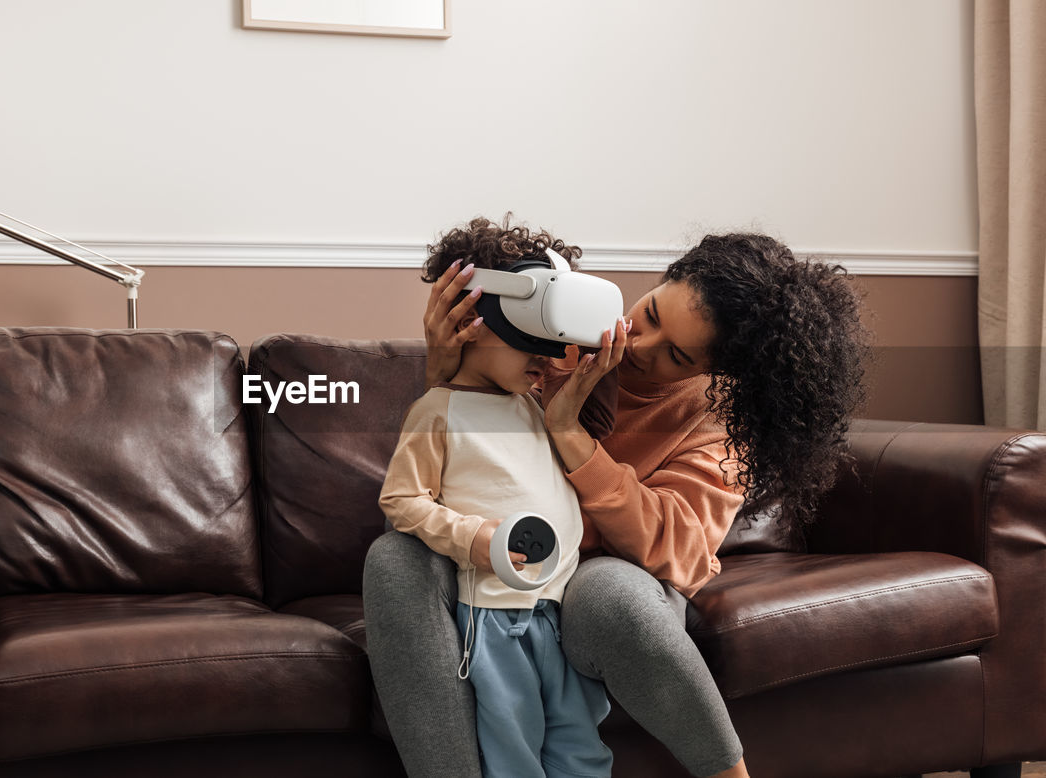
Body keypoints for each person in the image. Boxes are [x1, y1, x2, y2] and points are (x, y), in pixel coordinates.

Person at [363, 216, 872, 778]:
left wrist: (571, 437)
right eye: (650, 312)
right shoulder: (555, 336)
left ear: (715, 372)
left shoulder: (715, 421)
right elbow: (446, 477)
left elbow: (677, 549)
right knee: (395, 558)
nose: (639, 344)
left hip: (608, 578)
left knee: (606, 592)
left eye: (676, 356)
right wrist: (449, 375)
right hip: (497, 563)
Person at [377, 222, 625, 778]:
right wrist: (474, 538)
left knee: (582, 754)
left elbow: (595, 397)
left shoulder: (540, 408)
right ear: (470, 320)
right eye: (529, 343)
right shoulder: (437, 411)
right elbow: (401, 499)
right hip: (494, 619)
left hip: (561, 615)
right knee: (512, 754)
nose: (547, 360)